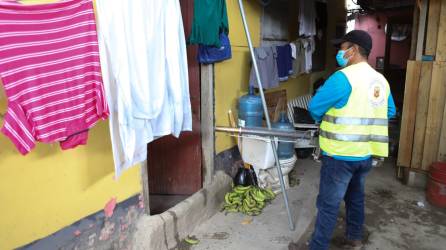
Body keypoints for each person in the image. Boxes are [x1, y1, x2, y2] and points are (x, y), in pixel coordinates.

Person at [290, 30, 396, 250]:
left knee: (328, 205)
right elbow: (390, 111)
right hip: (365, 155)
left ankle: (317, 247)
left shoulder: (343, 78)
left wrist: (327, 119)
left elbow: (314, 108)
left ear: (353, 50)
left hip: (340, 155)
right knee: (355, 197)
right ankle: (354, 238)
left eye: (342, 47)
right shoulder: (380, 81)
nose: (339, 52)